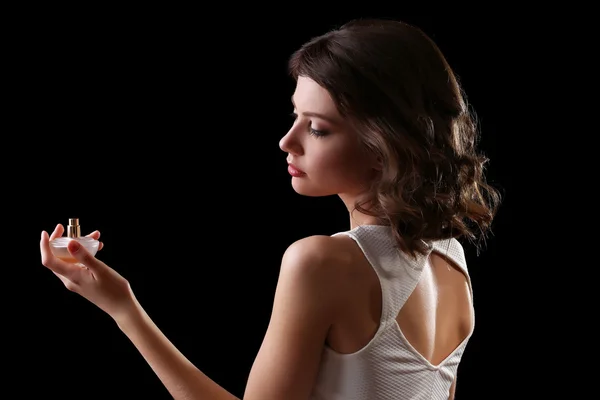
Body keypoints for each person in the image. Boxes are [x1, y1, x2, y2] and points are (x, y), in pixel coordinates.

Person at [40, 18, 501, 400]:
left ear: (383, 146)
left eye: (317, 128)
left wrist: (124, 309)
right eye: (295, 116)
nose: (287, 141)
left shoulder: (320, 263)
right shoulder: (452, 261)